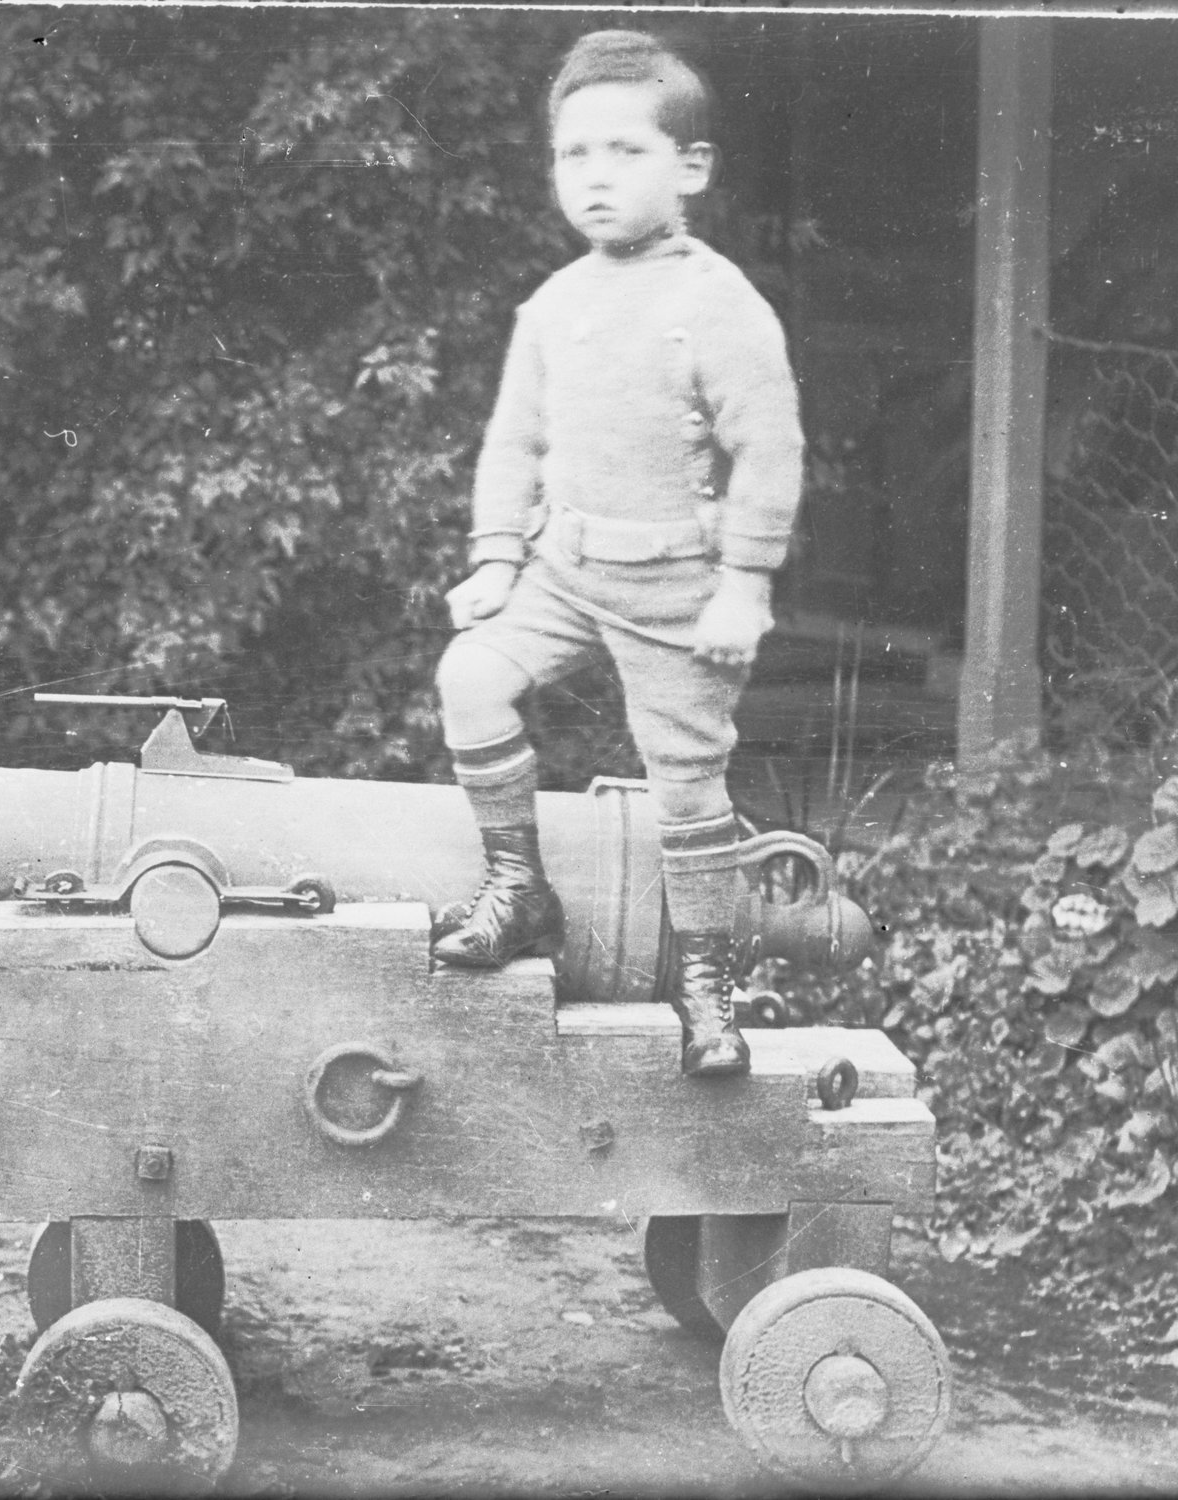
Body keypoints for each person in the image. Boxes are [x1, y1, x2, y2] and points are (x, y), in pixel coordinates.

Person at [432, 30, 803, 1080]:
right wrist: (497, 556)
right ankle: (517, 888)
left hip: (674, 588)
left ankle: (706, 979)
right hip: (560, 571)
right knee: (468, 677)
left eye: (623, 152)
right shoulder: (552, 306)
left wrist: (742, 585)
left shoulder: (716, 303)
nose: (593, 176)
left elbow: (765, 449)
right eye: (572, 154)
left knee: (687, 787)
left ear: (689, 167)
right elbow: (513, 440)